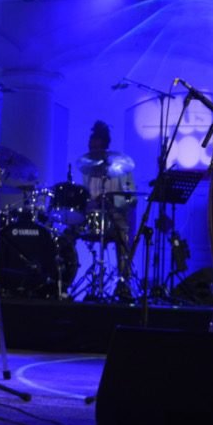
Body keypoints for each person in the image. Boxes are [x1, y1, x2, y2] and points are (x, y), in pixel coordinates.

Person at [72, 120, 137, 301]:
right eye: (90, 149)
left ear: (104, 149)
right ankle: (63, 278)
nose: (92, 152)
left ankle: (124, 285)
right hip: (92, 217)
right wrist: (87, 203)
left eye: (96, 149)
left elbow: (132, 198)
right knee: (68, 229)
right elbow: (85, 197)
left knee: (123, 235)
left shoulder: (122, 169)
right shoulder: (87, 170)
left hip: (114, 217)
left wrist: (112, 200)